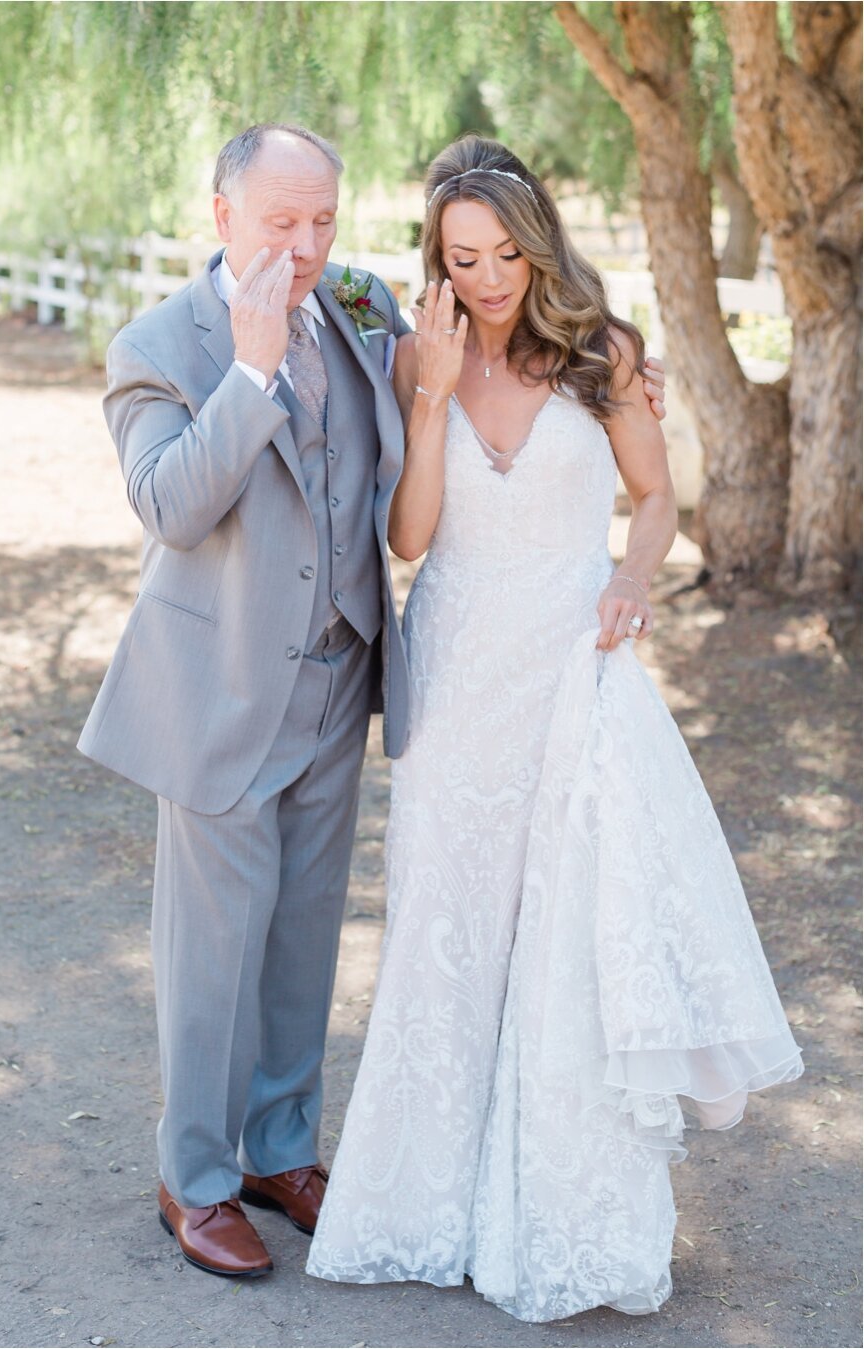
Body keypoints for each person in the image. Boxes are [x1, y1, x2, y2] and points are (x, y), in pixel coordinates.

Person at [78, 122, 666, 1280]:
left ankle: (281, 1147)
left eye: (323, 223)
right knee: (211, 952)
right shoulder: (159, 346)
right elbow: (171, 505)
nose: (303, 248)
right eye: (279, 223)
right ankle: (193, 1175)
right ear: (223, 217)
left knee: (303, 941)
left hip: (346, 680)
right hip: (219, 693)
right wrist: (248, 375)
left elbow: (485, 348)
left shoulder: (360, 307)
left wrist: (626, 367)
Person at [306, 136, 803, 1321]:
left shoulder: (607, 354)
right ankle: (428, 1201)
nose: (484, 278)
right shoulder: (420, 354)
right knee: (447, 928)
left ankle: (558, 1210)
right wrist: (427, 396)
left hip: (572, 666)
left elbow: (657, 500)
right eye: (460, 257)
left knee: (566, 933)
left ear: (538, 244)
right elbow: (412, 538)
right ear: (436, 259)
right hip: (461, 670)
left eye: (503, 254)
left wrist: (631, 579)